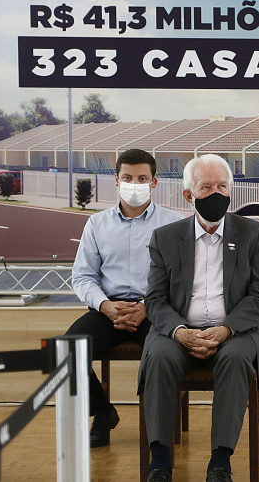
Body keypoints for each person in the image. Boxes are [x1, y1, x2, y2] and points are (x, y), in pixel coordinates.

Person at [140, 154, 259, 482]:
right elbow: (155, 300)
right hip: (178, 333)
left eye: (222, 186)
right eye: (206, 187)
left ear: (231, 191)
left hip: (236, 332)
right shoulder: (165, 238)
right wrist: (180, 331)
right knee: (157, 355)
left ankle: (220, 463)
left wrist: (225, 330)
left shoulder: (252, 234)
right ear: (189, 195)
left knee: (237, 359)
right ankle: (159, 463)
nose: (216, 193)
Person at [66, 149, 181, 448]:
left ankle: (159, 434)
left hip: (155, 310)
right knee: (64, 353)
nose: (134, 183)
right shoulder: (97, 224)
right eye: (128, 178)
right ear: (116, 180)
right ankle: (103, 413)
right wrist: (105, 305)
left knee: (164, 357)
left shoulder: (174, 224)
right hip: (108, 308)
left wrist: (146, 307)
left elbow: (182, 280)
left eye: (142, 178)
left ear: (154, 182)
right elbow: (82, 277)